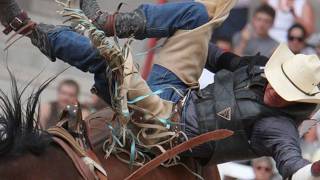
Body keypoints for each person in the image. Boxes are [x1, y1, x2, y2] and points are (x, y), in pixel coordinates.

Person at [1, 0, 320, 179]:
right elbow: (218, 57)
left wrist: (314, 170)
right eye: (279, 82)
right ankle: (109, 21)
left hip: (166, 128)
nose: (275, 91)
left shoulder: (277, 128)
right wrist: (188, 40)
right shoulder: (262, 72)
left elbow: (292, 165)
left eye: (284, 93)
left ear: (293, 102)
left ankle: (24, 27)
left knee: (110, 62)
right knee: (197, 16)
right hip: (175, 89)